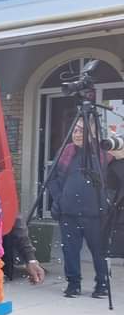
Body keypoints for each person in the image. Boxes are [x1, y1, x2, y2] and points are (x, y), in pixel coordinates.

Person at [48, 120, 112, 298]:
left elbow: (113, 181)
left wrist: (107, 201)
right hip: (68, 212)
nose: (77, 134)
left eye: (82, 131)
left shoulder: (103, 154)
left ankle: (102, 284)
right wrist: (60, 199)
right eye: (75, 130)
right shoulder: (65, 152)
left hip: (95, 214)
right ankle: (73, 284)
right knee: (70, 251)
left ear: (93, 134)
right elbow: (52, 178)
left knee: (99, 251)